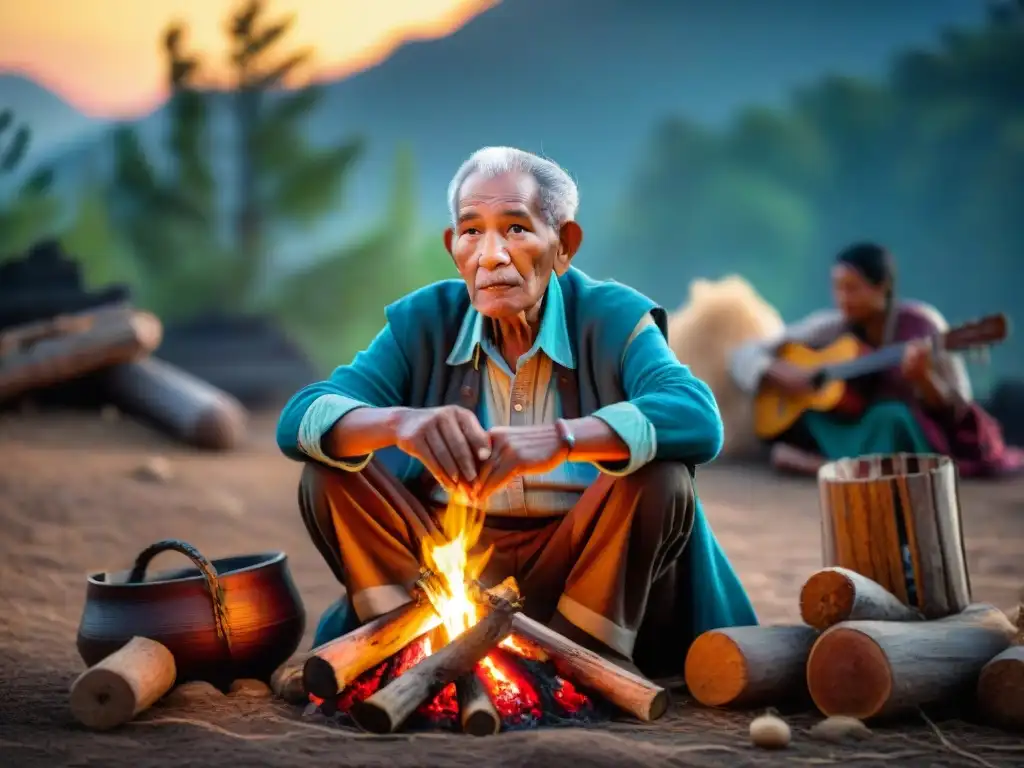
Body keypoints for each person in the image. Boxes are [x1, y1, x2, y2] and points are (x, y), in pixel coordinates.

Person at [277, 146, 756, 678]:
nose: (491, 256)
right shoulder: (423, 321)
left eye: (515, 229)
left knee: (663, 477)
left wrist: (564, 438)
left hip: (581, 571)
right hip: (443, 570)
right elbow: (302, 415)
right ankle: (399, 647)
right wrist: (400, 423)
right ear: (452, 247)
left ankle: (584, 663)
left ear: (564, 245)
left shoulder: (613, 317)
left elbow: (696, 416)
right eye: (472, 232)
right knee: (329, 471)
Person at [730, 242, 1023, 477]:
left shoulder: (924, 327)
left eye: (853, 288)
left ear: (883, 287)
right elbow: (743, 353)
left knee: (892, 417)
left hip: (906, 435)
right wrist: (778, 372)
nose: (842, 298)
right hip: (850, 430)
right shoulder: (832, 326)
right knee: (814, 412)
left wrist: (924, 379)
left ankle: (819, 466)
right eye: (837, 288)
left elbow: (958, 406)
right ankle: (836, 466)